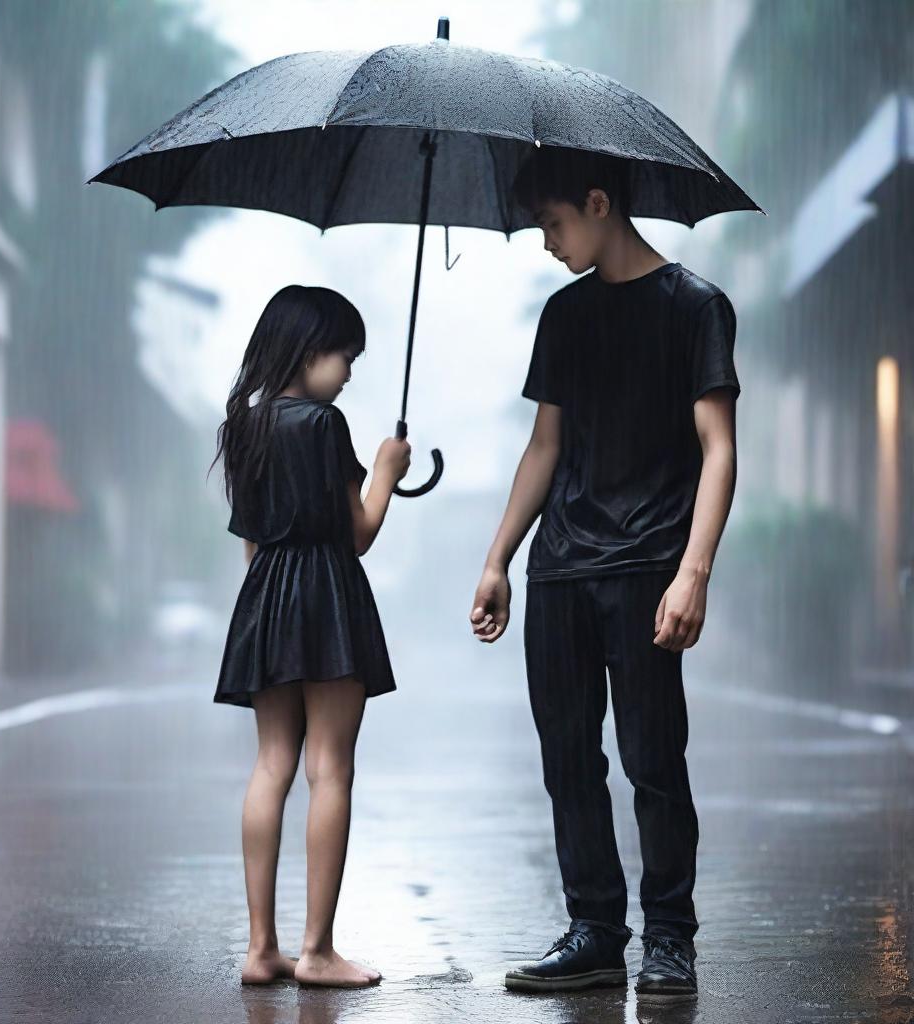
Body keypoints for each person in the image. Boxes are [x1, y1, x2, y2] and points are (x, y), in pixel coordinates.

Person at [470, 148, 740, 1003]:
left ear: (597, 202)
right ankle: (594, 931)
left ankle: (669, 938)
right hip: (559, 571)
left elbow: (720, 449)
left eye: (552, 225)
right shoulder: (565, 316)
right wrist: (497, 558)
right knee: (567, 760)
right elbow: (544, 447)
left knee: (653, 759)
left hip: (649, 565)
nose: (547, 242)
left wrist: (693, 572)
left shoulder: (696, 307)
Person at [211, 284, 411, 988]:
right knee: (330, 767)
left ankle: (261, 948)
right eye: (345, 356)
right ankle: (318, 951)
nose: (351, 371)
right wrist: (385, 473)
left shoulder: (245, 425)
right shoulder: (325, 426)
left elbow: (250, 542)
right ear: (308, 350)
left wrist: (269, 600)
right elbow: (356, 534)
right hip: (326, 597)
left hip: (265, 598)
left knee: (272, 766)